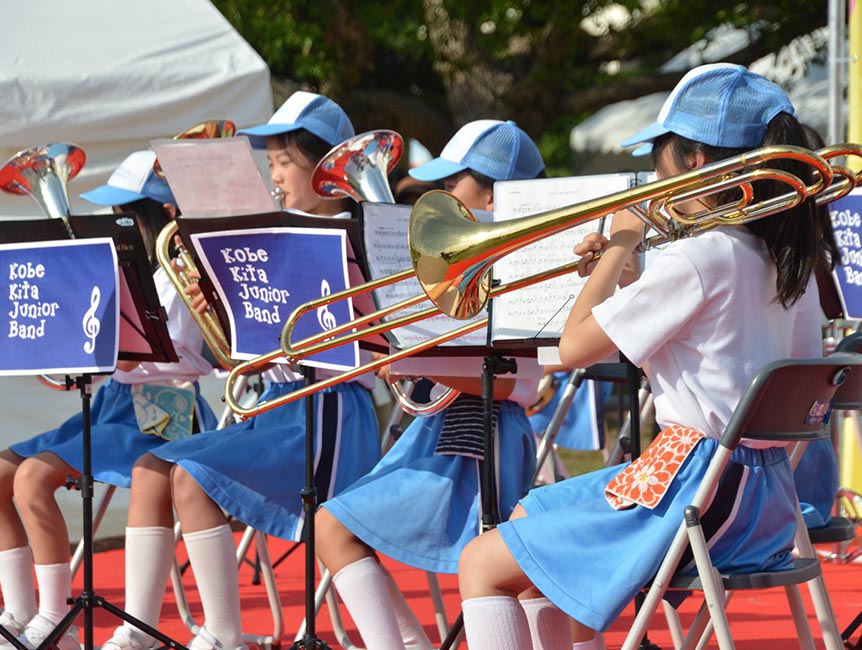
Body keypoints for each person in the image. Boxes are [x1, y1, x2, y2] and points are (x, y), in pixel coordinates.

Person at [456, 62, 839, 650]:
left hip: (696, 491)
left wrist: (619, 245)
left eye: (658, 159)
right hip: (763, 498)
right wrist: (628, 271)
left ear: (694, 160)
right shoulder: (781, 260)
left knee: (480, 562)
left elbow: (573, 347)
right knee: (532, 523)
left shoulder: (699, 257)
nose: (652, 178)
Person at [98, 90, 381, 650]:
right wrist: (215, 302)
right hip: (278, 403)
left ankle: (223, 633)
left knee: (208, 483)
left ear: (323, 164)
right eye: (270, 162)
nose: (273, 175)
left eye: (283, 161)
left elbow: (359, 341)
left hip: (329, 407)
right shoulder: (275, 232)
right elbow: (238, 354)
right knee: (165, 470)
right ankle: (198, 632)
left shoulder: (357, 235)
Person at [315, 119, 545, 650]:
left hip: (485, 437)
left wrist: (409, 360)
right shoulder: (462, 263)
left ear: (491, 195)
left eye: (451, 185)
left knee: (335, 527)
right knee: (334, 527)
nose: (439, 197)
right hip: (443, 429)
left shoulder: (525, 266)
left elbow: (515, 383)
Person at [0, 150, 218, 650]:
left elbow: (179, 352)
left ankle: (57, 619)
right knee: (1, 473)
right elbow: (108, 358)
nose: (119, 225)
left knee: (31, 478)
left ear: (163, 216)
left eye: (128, 215)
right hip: (115, 404)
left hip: (166, 410)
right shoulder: (124, 267)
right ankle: (19, 612)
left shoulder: (185, 272)